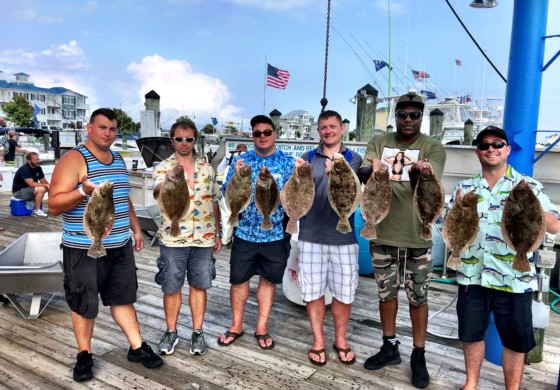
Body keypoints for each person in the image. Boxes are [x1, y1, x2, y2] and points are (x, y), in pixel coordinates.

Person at [48, 108, 163, 382]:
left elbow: (124, 200)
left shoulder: (118, 159)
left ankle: (136, 346)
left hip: (119, 244)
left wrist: (136, 230)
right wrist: (81, 191)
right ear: (89, 128)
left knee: (123, 297)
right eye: (102, 128)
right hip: (83, 247)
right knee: (83, 301)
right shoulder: (74, 159)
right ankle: (84, 353)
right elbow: (52, 205)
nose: (108, 133)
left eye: (112, 129)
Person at [448, 126, 559, 390]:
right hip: (471, 277)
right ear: (478, 152)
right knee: (472, 334)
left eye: (497, 144)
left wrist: (532, 205)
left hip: (514, 277)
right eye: (485, 145)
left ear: (507, 150)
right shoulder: (463, 188)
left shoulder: (529, 186)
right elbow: (453, 226)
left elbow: (554, 226)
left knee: (515, 340)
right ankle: (471, 384)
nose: (491, 149)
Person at [358, 91, 446, 388]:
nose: (408, 120)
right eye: (403, 115)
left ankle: (418, 354)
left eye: (414, 115)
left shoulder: (432, 148)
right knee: (386, 294)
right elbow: (363, 174)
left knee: (419, 298)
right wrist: (373, 166)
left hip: (417, 235)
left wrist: (422, 172)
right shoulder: (380, 141)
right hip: (381, 231)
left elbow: (431, 190)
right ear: (395, 117)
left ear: (422, 117)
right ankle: (389, 345)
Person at [217, 115, 294, 349]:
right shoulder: (242, 161)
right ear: (252, 136)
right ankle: (236, 325)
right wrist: (234, 174)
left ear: (275, 134)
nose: (262, 136)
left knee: (268, 282)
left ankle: (261, 327)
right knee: (239, 281)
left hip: (275, 235)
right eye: (257, 133)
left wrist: (304, 174)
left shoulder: (288, 162)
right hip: (245, 234)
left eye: (267, 132)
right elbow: (226, 192)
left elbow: (298, 193)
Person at [297, 110, 362, 366]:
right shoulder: (307, 158)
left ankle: (341, 339)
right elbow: (297, 191)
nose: (328, 131)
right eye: (323, 127)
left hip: (343, 238)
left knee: (344, 293)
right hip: (311, 234)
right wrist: (297, 173)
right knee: (312, 292)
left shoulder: (353, 158)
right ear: (318, 130)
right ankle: (318, 341)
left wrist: (336, 171)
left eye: (332, 126)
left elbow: (352, 184)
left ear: (342, 128)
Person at [152, 121, 222, 356]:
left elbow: (214, 201)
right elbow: (157, 191)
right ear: (172, 140)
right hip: (173, 238)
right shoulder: (163, 167)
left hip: (204, 237)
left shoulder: (207, 168)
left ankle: (198, 332)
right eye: (179, 139)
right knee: (171, 287)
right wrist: (167, 183)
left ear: (195, 141)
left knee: (199, 286)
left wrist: (219, 233)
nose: (184, 143)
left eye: (189, 139)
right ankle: (171, 331)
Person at [12, 152, 49, 218]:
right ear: (29, 161)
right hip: (19, 192)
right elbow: (31, 184)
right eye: (35, 160)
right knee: (42, 189)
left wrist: (50, 186)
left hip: (30, 190)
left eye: (38, 159)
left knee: (49, 188)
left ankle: (52, 207)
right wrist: (45, 185)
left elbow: (43, 180)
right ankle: (36, 211)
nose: (38, 161)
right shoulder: (25, 169)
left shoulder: (38, 168)